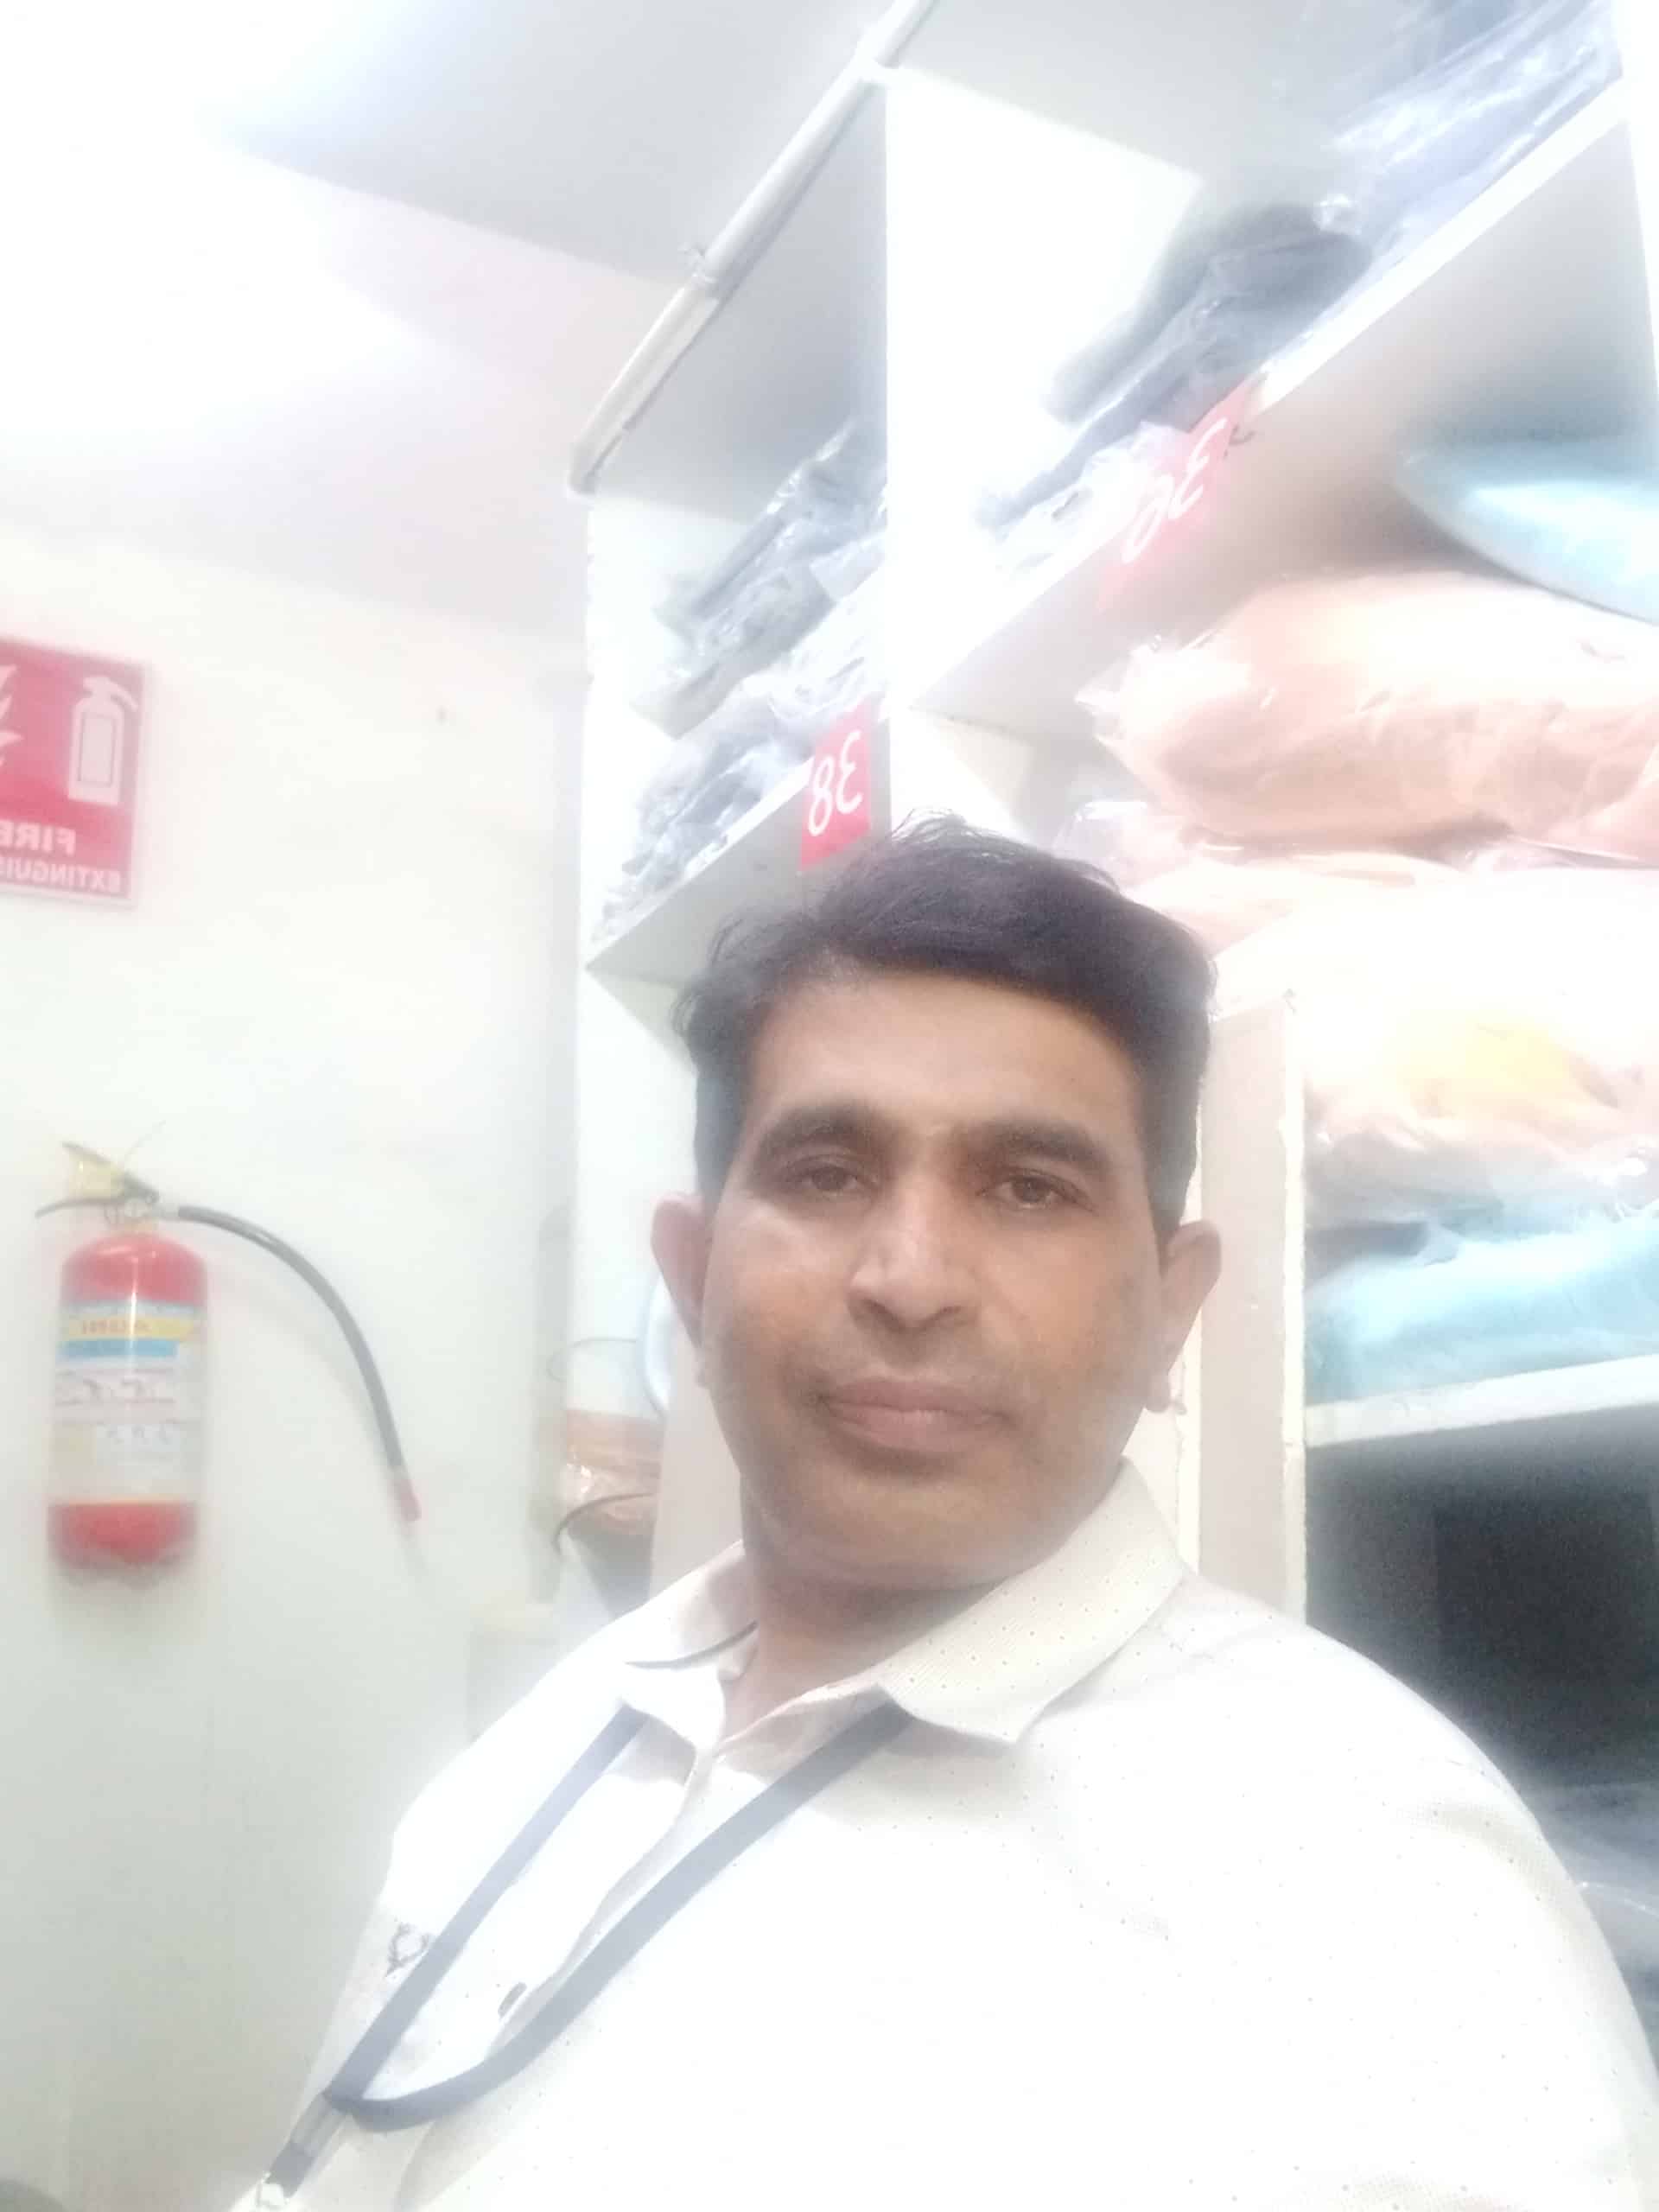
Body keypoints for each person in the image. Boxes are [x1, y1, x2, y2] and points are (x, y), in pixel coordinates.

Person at [242, 822, 1659, 2209]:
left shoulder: (1374, 1887)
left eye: (1030, 1189)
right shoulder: (558, 1730)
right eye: (825, 1174)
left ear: (1172, 1310)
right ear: (691, 1274)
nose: (910, 1279)